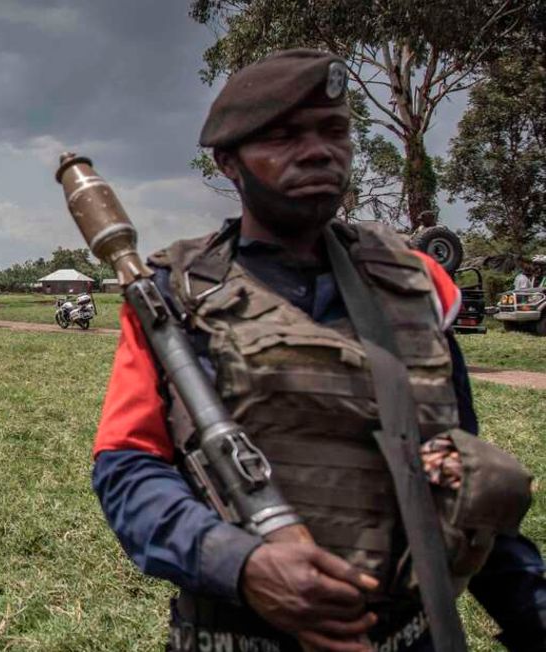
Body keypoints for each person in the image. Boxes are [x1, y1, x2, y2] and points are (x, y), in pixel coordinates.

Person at [91, 50, 546, 651]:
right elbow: (128, 468)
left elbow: (456, 473)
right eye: (282, 137)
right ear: (228, 161)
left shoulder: (417, 284)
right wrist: (240, 565)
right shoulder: (174, 297)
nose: (316, 150)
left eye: (333, 132)